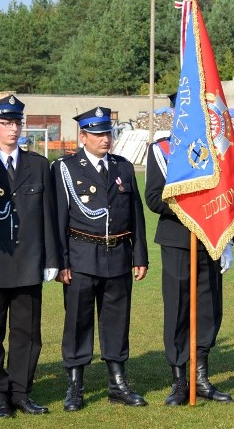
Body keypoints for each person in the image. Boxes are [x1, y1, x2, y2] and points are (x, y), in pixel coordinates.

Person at [0, 95, 60, 418]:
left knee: (28, 333)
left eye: (17, 122)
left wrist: (51, 259)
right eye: (6, 123)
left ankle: (20, 391)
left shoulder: (39, 165)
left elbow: (48, 216)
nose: (13, 129)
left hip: (29, 262)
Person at [52, 107, 149, 411]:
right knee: (78, 323)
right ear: (83, 137)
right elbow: (58, 219)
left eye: (108, 133)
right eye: (98, 134)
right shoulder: (65, 168)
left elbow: (136, 215)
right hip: (81, 257)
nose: (105, 139)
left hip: (118, 256)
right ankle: (75, 387)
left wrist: (140, 255)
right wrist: (61, 262)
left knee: (117, 322)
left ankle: (117, 383)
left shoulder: (123, 167)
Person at [146, 92, 234, 406]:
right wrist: (191, 206)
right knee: (179, 310)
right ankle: (179, 381)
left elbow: (229, 196)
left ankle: (202, 377)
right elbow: (155, 198)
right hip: (178, 242)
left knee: (209, 310)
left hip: (211, 240)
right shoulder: (162, 151)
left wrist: (228, 241)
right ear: (175, 111)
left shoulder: (218, 150)